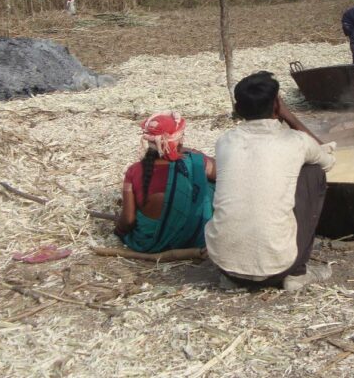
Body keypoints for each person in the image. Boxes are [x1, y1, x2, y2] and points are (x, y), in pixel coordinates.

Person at [205, 71, 336, 292]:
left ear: (238, 110)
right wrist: (290, 117)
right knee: (314, 172)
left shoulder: (225, 141)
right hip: (278, 267)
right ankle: (297, 273)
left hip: (224, 265)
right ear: (277, 106)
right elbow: (328, 159)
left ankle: (234, 275)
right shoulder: (296, 141)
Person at [114, 111, 216, 253]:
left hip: (151, 242)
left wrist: (118, 231)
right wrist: (195, 153)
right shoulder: (196, 162)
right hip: (195, 239)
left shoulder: (134, 171)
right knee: (210, 185)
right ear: (178, 140)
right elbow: (222, 174)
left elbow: (128, 220)